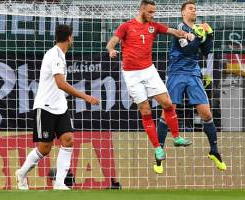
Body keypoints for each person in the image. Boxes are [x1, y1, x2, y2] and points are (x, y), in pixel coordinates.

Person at [106, 0, 192, 170]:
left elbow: (172, 31)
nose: (153, 15)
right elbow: (111, 43)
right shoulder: (126, 26)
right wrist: (111, 50)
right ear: (142, 9)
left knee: (167, 103)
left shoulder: (154, 26)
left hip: (149, 71)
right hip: (131, 74)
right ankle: (158, 148)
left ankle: (176, 137)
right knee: (146, 110)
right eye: (150, 12)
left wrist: (185, 35)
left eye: (154, 12)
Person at [15, 24, 100, 190]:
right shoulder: (54, 55)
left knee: (68, 140)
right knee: (45, 148)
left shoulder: (61, 55)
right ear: (69, 38)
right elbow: (60, 83)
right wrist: (85, 97)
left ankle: (60, 183)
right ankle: (22, 173)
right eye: (72, 37)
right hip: (45, 106)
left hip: (60, 106)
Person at [154, 1, 227, 174]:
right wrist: (197, 34)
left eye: (195, 8)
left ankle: (214, 151)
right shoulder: (180, 27)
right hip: (177, 73)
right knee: (169, 110)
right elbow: (188, 49)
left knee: (206, 113)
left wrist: (209, 35)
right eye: (190, 8)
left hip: (193, 73)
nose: (194, 11)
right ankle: (158, 155)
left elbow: (206, 51)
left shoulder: (198, 29)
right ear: (183, 13)